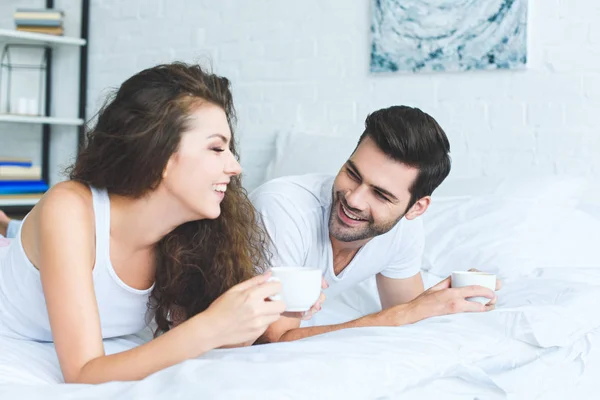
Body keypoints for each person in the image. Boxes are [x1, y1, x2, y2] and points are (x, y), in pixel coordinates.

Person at [0, 62, 322, 384]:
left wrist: (271, 312)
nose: (235, 167)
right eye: (216, 148)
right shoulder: (69, 208)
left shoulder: (188, 239)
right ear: (161, 156)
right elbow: (83, 374)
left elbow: (205, 340)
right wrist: (211, 324)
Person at [252, 105, 501, 344]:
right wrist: (398, 316)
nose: (353, 199)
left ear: (416, 208)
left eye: (381, 195)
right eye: (352, 174)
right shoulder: (283, 209)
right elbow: (273, 339)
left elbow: (408, 312)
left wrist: (446, 298)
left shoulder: (403, 229)